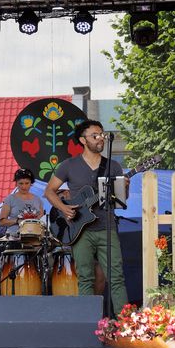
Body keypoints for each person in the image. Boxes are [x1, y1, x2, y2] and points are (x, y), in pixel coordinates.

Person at [44, 119, 128, 315]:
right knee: (85, 278)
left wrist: (124, 187)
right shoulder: (69, 165)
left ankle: (126, 324)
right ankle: (89, 323)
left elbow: (120, 200)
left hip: (107, 227)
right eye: (95, 135)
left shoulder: (113, 166)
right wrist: (64, 209)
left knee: (116, 277)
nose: (101, 138)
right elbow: (49, 191)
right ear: (83, 140)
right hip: (80, 231)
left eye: (102, 134)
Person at [0, 168, 45, 238]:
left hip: (35, 239)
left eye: (27, 183)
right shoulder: (10, 199)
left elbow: (41, 221)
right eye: (21, 183)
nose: (24, 186)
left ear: (31, 183)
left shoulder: (38, 199)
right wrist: (17, 221)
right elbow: (1, 222)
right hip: (14, 237)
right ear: (16, 183)